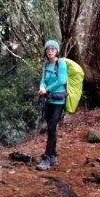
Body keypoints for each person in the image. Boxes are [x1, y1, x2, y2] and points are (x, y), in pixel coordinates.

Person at [36, 39, 67, 171]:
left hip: (58, 101)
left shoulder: (61, 63)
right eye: (48, 49)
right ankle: (52, 155)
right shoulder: (46, 64)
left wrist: (47, 89)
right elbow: (43, 79)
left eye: (53, 49)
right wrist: (42, 87)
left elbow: (61, 80)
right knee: (51, 127)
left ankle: (47, 158)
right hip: (48, 100)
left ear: (57, 51)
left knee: (52, 126)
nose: (50, 51)